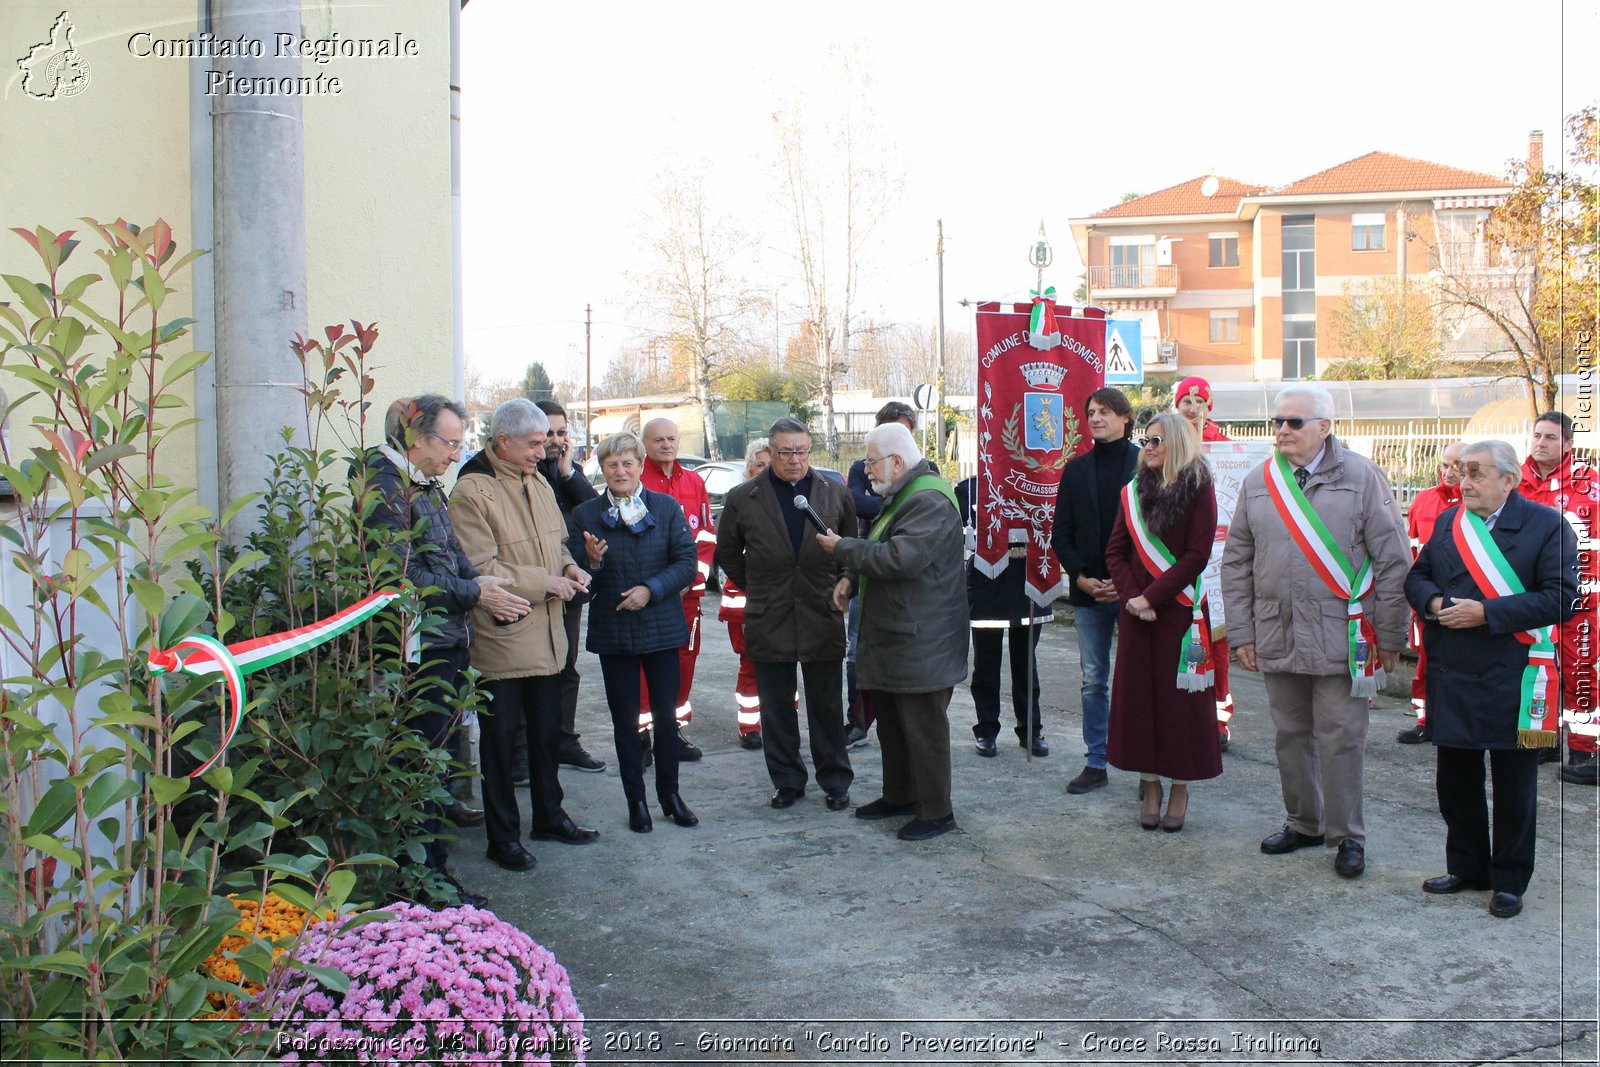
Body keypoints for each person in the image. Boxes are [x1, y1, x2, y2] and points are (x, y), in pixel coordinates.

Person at [1220, 383, 1410, 879]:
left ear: (1324, 427)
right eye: (1277, 422)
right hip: (1276, 631)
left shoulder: (1362, 476)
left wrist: (1390, 635)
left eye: (1294, 422)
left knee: (1342, 737)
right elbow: (1237, 559)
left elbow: (1394, 560)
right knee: (1289, 734)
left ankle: (1348, 836)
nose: (1282, 430)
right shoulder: (1261, 481)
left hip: (1342, 635)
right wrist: (1241, 632)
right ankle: (1303, 822)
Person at [352, 394, 530, 909]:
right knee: (421, 765)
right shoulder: (383, 487)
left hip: (446, 643)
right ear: (415, 439)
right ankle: (423, 882)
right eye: (450, 443)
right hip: (416, 651)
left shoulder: (423, 486)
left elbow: (451, 557)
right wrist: (477, 593)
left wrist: (486, 585)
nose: (457, 454)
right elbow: (395, 574)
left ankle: (433, 873)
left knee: (439, 764)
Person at [1406, 440, 1578, 918]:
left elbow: (1561, 597)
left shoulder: (1547, 526)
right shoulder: (1448, 522)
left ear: (1509, 480)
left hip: (1515, 673)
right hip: (1454, 668)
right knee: (1455, 781)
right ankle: (1467, 867)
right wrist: (1437, 605)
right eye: (1463, 472)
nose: (1466, 482)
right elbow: (1417, 579)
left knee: (1514, 786)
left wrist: (1488, 613)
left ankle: (1508, 879)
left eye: (1477, 473)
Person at [451, 399, 599, 872]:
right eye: (535, 443)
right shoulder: (472, 493)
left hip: (550, 637)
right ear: (503, 441)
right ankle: (503, 838)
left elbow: (556, 543)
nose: (545, 449)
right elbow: (479, 569)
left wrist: (572, 566)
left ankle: (550, 817)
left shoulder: (539, 482)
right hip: (505, 639)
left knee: (546, 737)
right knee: (500, 746)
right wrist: (548, 583)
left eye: (547, 441)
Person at [819, 423, 967, 841]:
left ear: (897, 461)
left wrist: (841, 549)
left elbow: (901, 559)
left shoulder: (928, 500)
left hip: (923, 639)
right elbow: (882, 544)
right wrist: (850, 575)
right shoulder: (902, 494)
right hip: (900, 636)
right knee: (894, 726)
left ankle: (937, 811)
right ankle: (900, 795)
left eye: (871, 462)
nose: (866, 471)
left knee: (923, 729)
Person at [716, 417, 857, 810]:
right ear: (770, 453)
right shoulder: (745, 496)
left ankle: (835, 782)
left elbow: (851, 544)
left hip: (821, 610)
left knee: (827, 705)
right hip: (769, 613)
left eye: (801, 451)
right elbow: (727, 552)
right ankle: (788, 782)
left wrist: (846, 579)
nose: (794, 460)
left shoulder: (833, 492)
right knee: (777, 707)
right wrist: (759, 584)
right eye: (785, 452)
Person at [569, 432, 700, 833]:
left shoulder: (666, 506)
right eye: (612, 465)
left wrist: (651, 590)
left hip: (661, 629)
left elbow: (687, 563)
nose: (621, 471)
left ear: (640, 465)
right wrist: (590, 563)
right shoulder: (585, 515)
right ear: (602, 469)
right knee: (625, 722)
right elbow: (578, 580)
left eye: (627, 463)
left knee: (665, 720)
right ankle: (636, 802)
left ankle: (670, 795)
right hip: (615, 633)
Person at [1104, 413, 1221, 831]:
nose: (1148, 447)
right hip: (1137, 613)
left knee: (1181, 705)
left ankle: (1180, 785)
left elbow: (1197, 554)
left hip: (1181, 611)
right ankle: (1149, 782)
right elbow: (1115, 552)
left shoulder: (1199, 487)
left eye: (1156, 440)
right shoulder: (1133, 492)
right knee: (1140, 699)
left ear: (1176, 443)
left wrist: (1152, 596)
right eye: (1145, 440)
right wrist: (1135, 597)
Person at [507, 400, 606, 782]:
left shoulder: (567, 473)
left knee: (566, 669)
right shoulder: (522, 475)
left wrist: (568, 474)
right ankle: (520, 755)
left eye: (561, 432)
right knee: (523, 674)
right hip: (527, 590)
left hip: (569, 588)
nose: (555, 440)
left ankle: (564, 740)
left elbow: (596, 511)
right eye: (547, 433)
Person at [1051, 387, 1139, 793]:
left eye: (1104, 412)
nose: (1096, 419)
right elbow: (1061, 535)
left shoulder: (1145, 466)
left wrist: (1125, 583)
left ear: (1125, 417)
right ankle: (1096, 761)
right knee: (1093, 679)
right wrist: (1080, 576)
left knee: (1139, 681)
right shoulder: (1075, 470)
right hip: (1089, 590)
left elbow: (1155, 535)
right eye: (1090, 413)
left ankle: (1146, 767)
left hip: (1136, 593)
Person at [1518, 411, 1599, 785]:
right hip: (1529, 598)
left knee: (1579, 670)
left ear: (1568, 444)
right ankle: (1541, 739)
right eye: (1537, 435)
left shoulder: (1588, 486)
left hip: (1578, 598)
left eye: (1550, 437)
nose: (1540, 443)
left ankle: (1585, 751)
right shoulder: (1514, 481)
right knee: (1535, 668)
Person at [842, 401, 919, 748]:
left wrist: (892, 502)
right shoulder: (864, 468)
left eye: (906, 432)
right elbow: (855, 502)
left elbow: (904, 552)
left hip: (897, 582)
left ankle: (895, 721)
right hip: (866, 570)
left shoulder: (921, 481)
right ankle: (856, 721)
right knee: (857, 650)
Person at [638, 418, 715, 762]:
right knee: (644, 667)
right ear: (645, 443)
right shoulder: (636, 479)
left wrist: (691, 580)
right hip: (651, 596)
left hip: (688, 596)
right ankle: (641, 737)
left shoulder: (695, 481)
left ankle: (673, 732)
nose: (666, 444)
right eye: (658, 439)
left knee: (684, 662)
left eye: (671, 438)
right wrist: (660, 586)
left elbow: (706, 537)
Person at [957, 474, 1050, 758]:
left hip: (1027, 575)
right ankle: (986, 729)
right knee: (986, 661)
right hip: (987, 578)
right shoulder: (968, 488)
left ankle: (1030, 730)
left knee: (1026, 661)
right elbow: (963, 532)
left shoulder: (1038, 486)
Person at [1173, 375, 1236, 752]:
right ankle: (1184, 716)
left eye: (1199, 401)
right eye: (1186, 401)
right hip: (1178, 564)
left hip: (1219, 564)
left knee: (1219, 650)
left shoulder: (1227, 448)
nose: (1193, 407)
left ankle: (1218, 720)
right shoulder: (1168, 444)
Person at [1398, 442, 1464, 744]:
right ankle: (1425, 719)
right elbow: (1412, 549)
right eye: (1445, 465)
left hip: (1465, 598)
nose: (1449, 472)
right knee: (1426, 658)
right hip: (1428, 597)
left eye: (1457, 466)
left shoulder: (1477, 502)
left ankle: (1458, 720)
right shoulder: (1423, 501)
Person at [716, 439, 773, 750]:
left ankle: (781, 719)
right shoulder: (739, 501)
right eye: (760, 465)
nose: (765, 470)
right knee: (750, 664)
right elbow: (728, 551)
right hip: (744, 601)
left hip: (776, 601)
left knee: (781, 665)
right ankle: (750, 726)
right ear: (750, 469)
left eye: (770, 464)